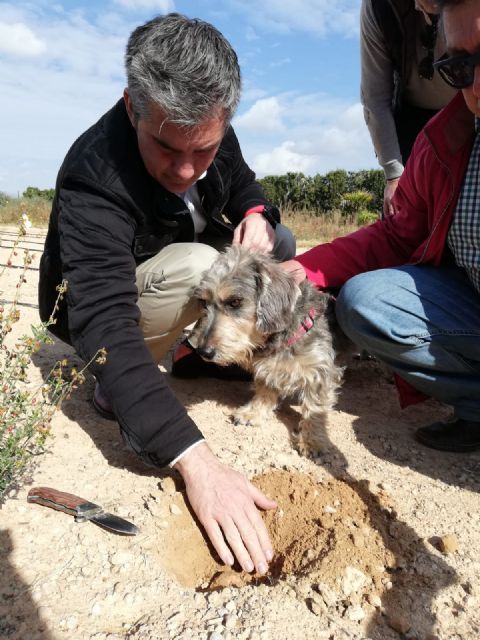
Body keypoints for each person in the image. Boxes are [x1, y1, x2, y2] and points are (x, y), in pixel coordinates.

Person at [39, 13, 297, 575]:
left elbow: (248, 184)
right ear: (133, 106)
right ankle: (122, 386)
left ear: (223, 120)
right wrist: (198, 463)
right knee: (201, 268)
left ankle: (203, 352)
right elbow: (102, 315)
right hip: (107, 302)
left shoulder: (210, 128)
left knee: (280, 240)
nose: (186, 170)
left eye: (204, 151)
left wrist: (257, 214)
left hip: (170, 269)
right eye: (165, 149)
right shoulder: (93, 175)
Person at [283, 0, 480, 453]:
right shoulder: (444, 142)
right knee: (368, 301)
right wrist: (305, 270)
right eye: (461, 67)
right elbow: (397, 235)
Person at [360, 0, 457, 216]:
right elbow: (375, 98)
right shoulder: (378, 6)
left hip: (469, 109)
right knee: (400, 216)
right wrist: (394, 175)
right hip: (411, 117)